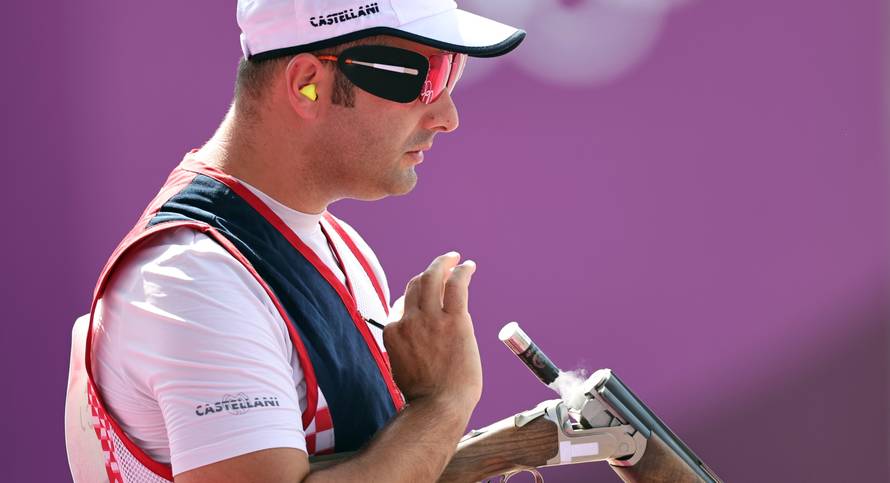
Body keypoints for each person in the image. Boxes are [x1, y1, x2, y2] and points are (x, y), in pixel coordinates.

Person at [64, 1, 525, 482]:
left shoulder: (339, 245)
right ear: (308, 83)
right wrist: (442, 406)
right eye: (421, 77)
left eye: (454, 70)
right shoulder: (193, 279)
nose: (447, 115)